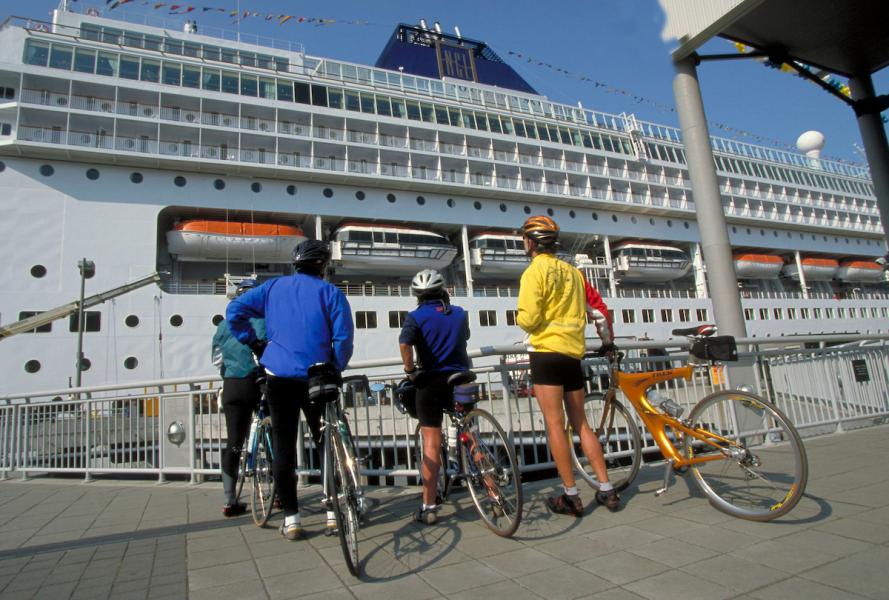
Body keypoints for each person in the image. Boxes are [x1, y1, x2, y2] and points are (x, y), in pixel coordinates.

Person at [227, 240, 354, 540]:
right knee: (325, 444)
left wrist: (255, 342)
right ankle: (332, 515)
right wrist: (335, 366)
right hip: (318, 378)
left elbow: (235, 311)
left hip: (278, 377)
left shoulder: (272, 289)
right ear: (322, 265)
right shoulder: (331, 293)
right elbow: (344, 339)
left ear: (295, 264)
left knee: (283, 448)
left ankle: (293, 519)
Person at [515, 215, 620, 517]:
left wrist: (521, 320)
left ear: (531, 242)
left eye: (524, 238)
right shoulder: (573, 273)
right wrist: (608, 343)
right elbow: (597, 313)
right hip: (574, 354)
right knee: (581, 423)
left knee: (555, 426)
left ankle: (571, 496)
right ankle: (606, 488)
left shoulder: (534, 272)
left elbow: (529, 319)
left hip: (546, 354)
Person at [399, 269, 471, 525]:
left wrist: (410, 370)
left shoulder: (415, 317)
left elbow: (405, 345)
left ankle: (429, 507)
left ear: (417, 295)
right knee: (469, 434)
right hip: (461, 379)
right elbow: (465, 336)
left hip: (430, 383)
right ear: (443, 290)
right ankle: (493, 491)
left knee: (431, 441)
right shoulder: (459, 313)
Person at [211, 278, 265, 518]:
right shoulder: (262, 320)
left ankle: (229, 499)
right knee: (272, 433)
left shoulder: (223, 326)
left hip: (231, 386)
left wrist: (229, 372)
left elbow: (216, 360)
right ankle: (280, 498)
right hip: (258, 383)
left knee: (234, 442)